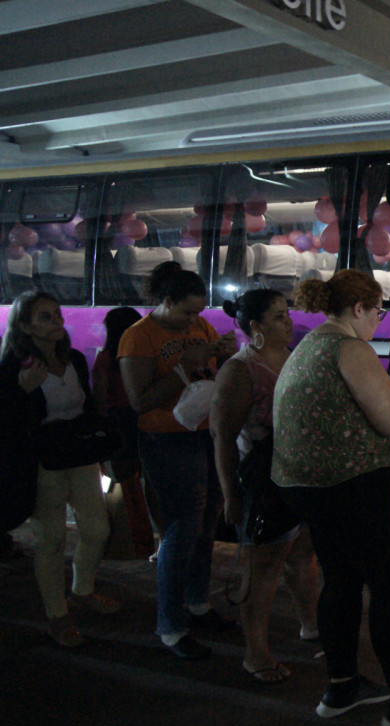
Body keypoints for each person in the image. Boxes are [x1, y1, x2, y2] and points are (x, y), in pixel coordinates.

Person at [273, 269, 390, 726]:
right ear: (359, 308)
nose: (379, 320)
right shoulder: (349, 347)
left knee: (340, 580)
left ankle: (342, 687)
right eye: (379, 311)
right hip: (351, 487)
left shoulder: (311, 344)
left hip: (307, 486)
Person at [119, 262, 237, 659]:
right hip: (166, 439)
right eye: (186, 312)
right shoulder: (138, 338)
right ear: (166, 301)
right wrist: (186, 365)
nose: (194, 320)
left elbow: (211, 375)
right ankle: (170, 625)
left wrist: (221, 356)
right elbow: (140, 400)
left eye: (198, 313)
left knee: (207, 523)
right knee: (182, 527)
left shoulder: (199, 329)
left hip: (205, 433)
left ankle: (198, 604)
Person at [210, 290, 319, 682]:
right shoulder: (240, 371)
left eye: (287, 314)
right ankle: (256, 652)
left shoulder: (290, 356)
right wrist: (230, 495)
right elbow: (223, 437)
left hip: (297, 473)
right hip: (263, 480)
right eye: (278, 317)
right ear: (255, 327)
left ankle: (311, 624)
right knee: (263, 566)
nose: (289, 322)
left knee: (302, 552)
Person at [0, 290, 119, 647]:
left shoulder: (74, 360)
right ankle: (57, 615)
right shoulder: (13, 367)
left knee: (97, 529)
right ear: (25, 326)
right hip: (43, 459)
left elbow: (85, 405)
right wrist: (23, 391)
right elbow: (8, 424)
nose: (56, 321)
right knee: (50, 539)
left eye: (56, 313)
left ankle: (82, 590)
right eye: (45, 317)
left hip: (79, 453)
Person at [93, 306, 157, 559]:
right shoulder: (141, 355)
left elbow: (100, 400)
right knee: (150, 481)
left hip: (119, 423)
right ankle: (151, 540)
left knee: (122, 484)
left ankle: (127, 542)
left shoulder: (106, 358)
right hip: (144, 419)